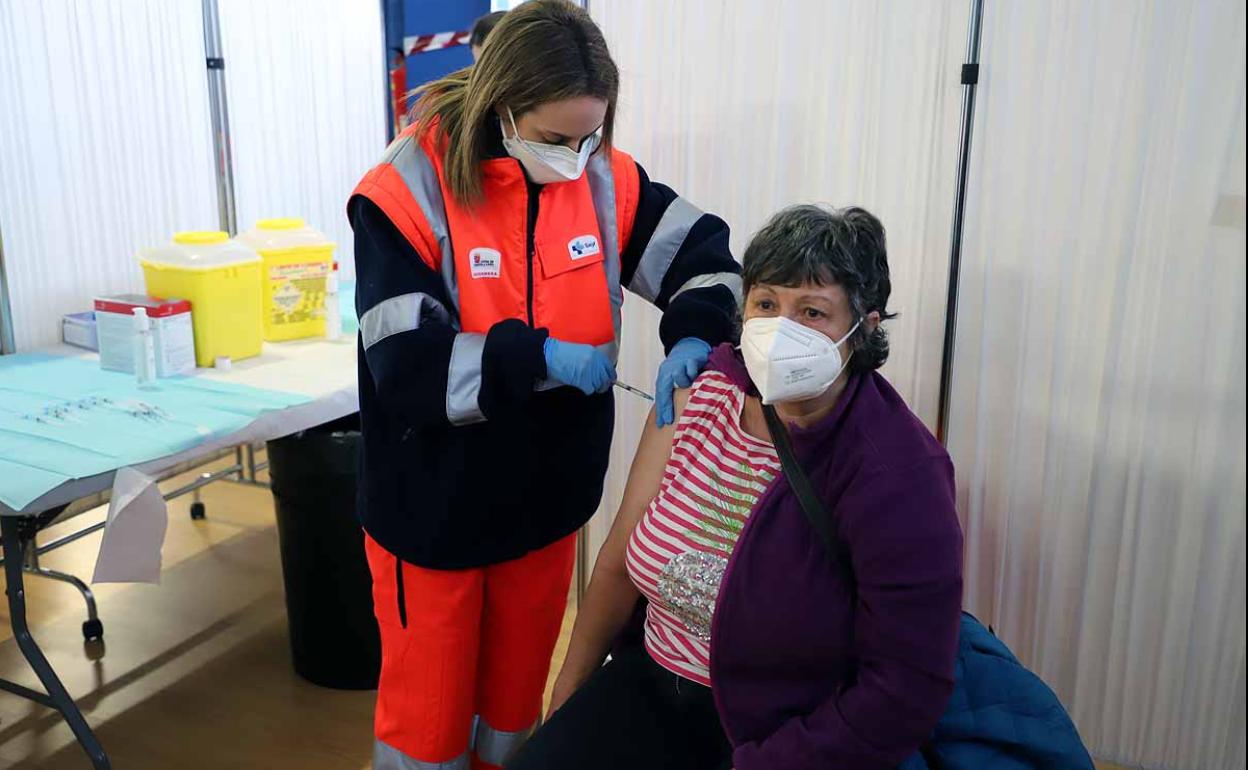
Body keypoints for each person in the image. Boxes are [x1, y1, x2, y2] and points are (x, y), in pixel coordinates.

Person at [347, 2, 741, 768]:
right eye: (559, 137)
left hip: (545, 508)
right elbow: (406, 369)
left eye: (590, 134)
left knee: (510, 710)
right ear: (504, 106)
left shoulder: (602, 179)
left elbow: (707, 254)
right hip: (434, 515)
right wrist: (537, 360)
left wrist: (694, 329)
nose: (576, 154)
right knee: (428, 729)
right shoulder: (404, 192)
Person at [508, 205, 965, 770]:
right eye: (767, 304)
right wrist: (567, 705)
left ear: (864, 329)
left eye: (813, 311)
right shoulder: (702, 396)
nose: (781, 329)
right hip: (651, 684)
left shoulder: (897, 472)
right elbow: (619, 565)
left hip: (788, 729)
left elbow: (904, 688)